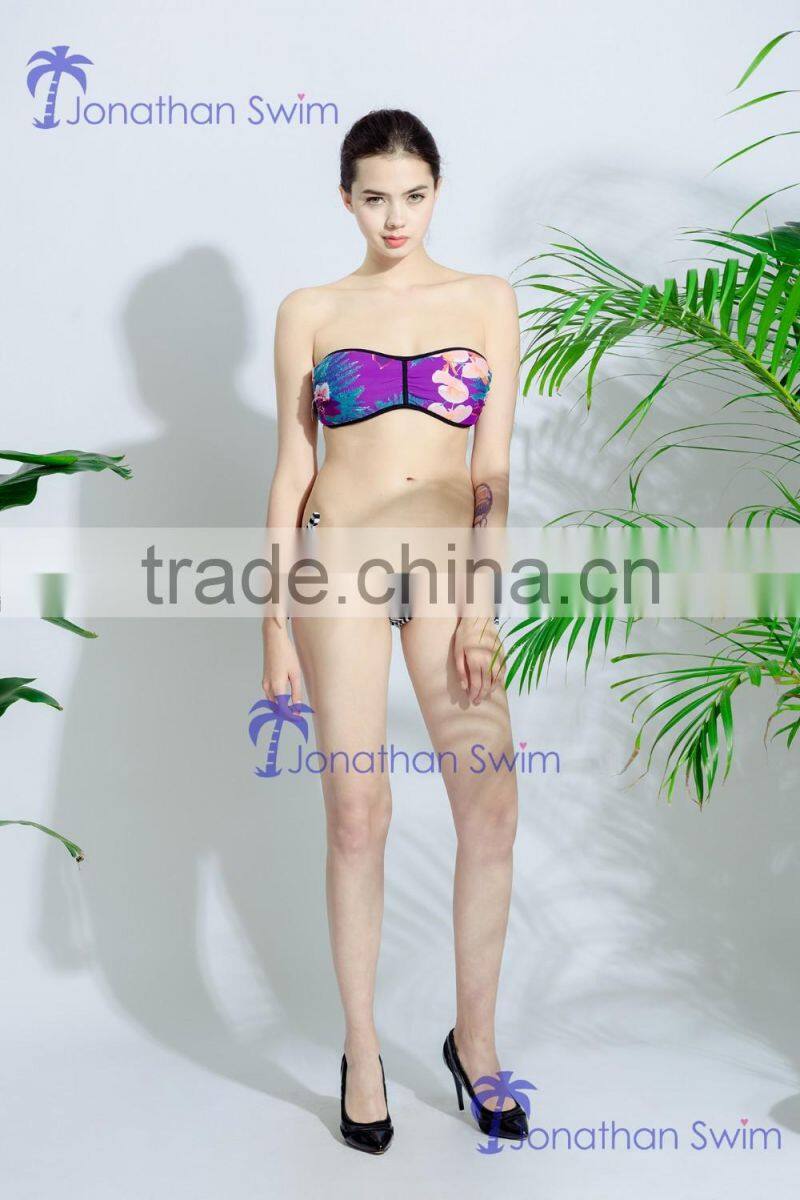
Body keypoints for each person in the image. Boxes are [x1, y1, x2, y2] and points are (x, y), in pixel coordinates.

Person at [261, 109, 527, 1153]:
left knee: (489, 809)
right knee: (356, 813)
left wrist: (479, 607)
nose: (395, 216)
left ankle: (477, 1043)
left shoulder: (486, 300)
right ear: (346, 199)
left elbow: (492, 469)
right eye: (374, 197)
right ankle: (362, 1051)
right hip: (337, 565)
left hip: (450, 568)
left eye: (412, 195)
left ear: (436, 192)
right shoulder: (310, 310)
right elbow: (291, 472)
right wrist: (272, 627)